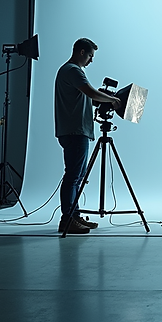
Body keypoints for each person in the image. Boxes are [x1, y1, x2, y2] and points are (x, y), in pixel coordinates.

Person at [54, 38, 120, 234]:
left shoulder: (70, 71)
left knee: (77, 176)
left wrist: (100, 96)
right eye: (90, 56)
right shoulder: (73, 70)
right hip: (75, 131)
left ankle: (74, 217)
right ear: (82, 52)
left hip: (76, 131)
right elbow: (90, 92)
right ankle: (67, 220)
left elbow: (85, 96)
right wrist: (112, 99)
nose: (91, 61)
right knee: (73, 176)